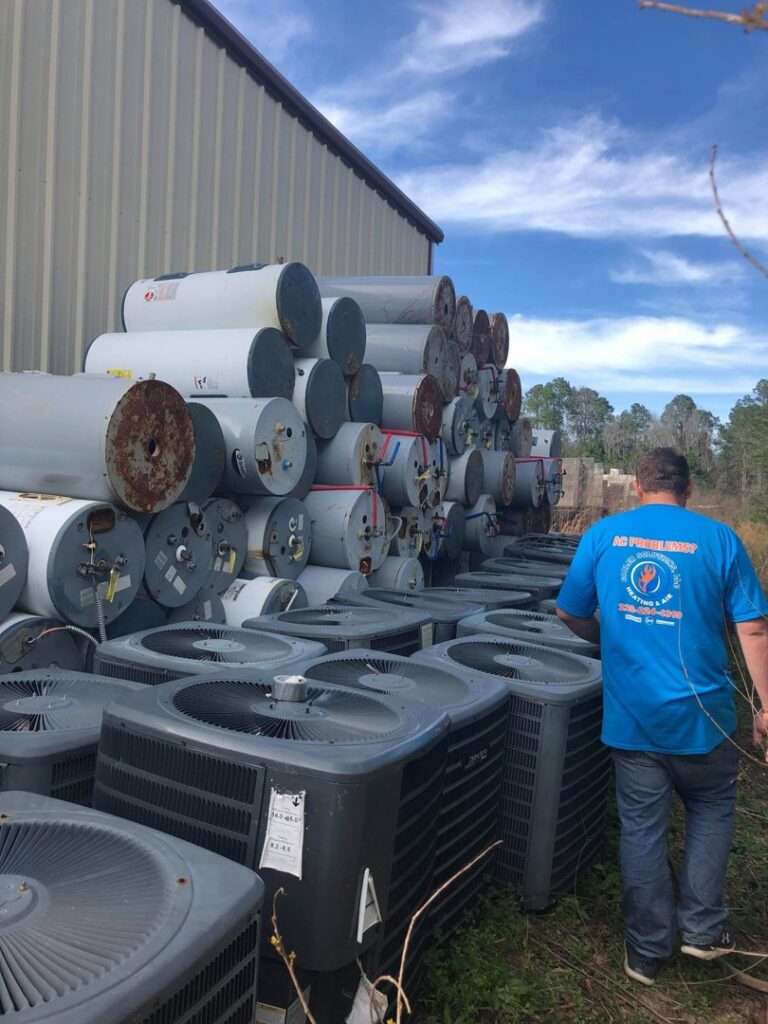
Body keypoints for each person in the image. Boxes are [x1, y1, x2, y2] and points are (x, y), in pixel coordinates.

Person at [555, 447, 768, 986]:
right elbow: (754, 629)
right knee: (712, 809)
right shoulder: (719, 539)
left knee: (643, 829)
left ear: (636, 487)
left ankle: (646, 952)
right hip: (707, 722)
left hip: (635, 723)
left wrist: (611, 639)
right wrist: (766, 705)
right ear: (689, 489)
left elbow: (569, 611)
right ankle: (701, 930)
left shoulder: (603, 537)